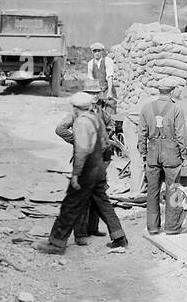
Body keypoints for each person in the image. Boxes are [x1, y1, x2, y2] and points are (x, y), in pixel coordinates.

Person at [35, 91, 129, 255]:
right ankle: (119, 237)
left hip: (87, 171)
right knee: (103, 203)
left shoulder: (80, 122)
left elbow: (82, 150)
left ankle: (57, 243)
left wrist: (77, 174)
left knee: (70, 206)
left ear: (76, 107)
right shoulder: (97, 119)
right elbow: (106, 142)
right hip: (99, 167)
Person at [56, 77, 118, 240]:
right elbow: (60, 129)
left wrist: (104, 139)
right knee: (85, 198)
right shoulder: (77, 114)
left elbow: (111, 125)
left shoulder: (99, 112)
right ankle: (81, 233)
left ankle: (92, 228)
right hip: (89, 160)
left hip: (100, 159)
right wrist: (76, 140)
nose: (94, 97)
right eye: (91, 94)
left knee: (96, 195)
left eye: (96, 93)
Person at [138, 78, 187, 236]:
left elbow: (141, 134)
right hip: (171, 155)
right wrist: (184, 154)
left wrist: (144, 153)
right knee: (174, 190)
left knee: (152, 191)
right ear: (172, 91)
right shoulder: (176, 109)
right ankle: (172, 227)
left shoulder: (146, 108)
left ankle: (153, 227)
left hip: (153, 154)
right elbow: (181, 135)